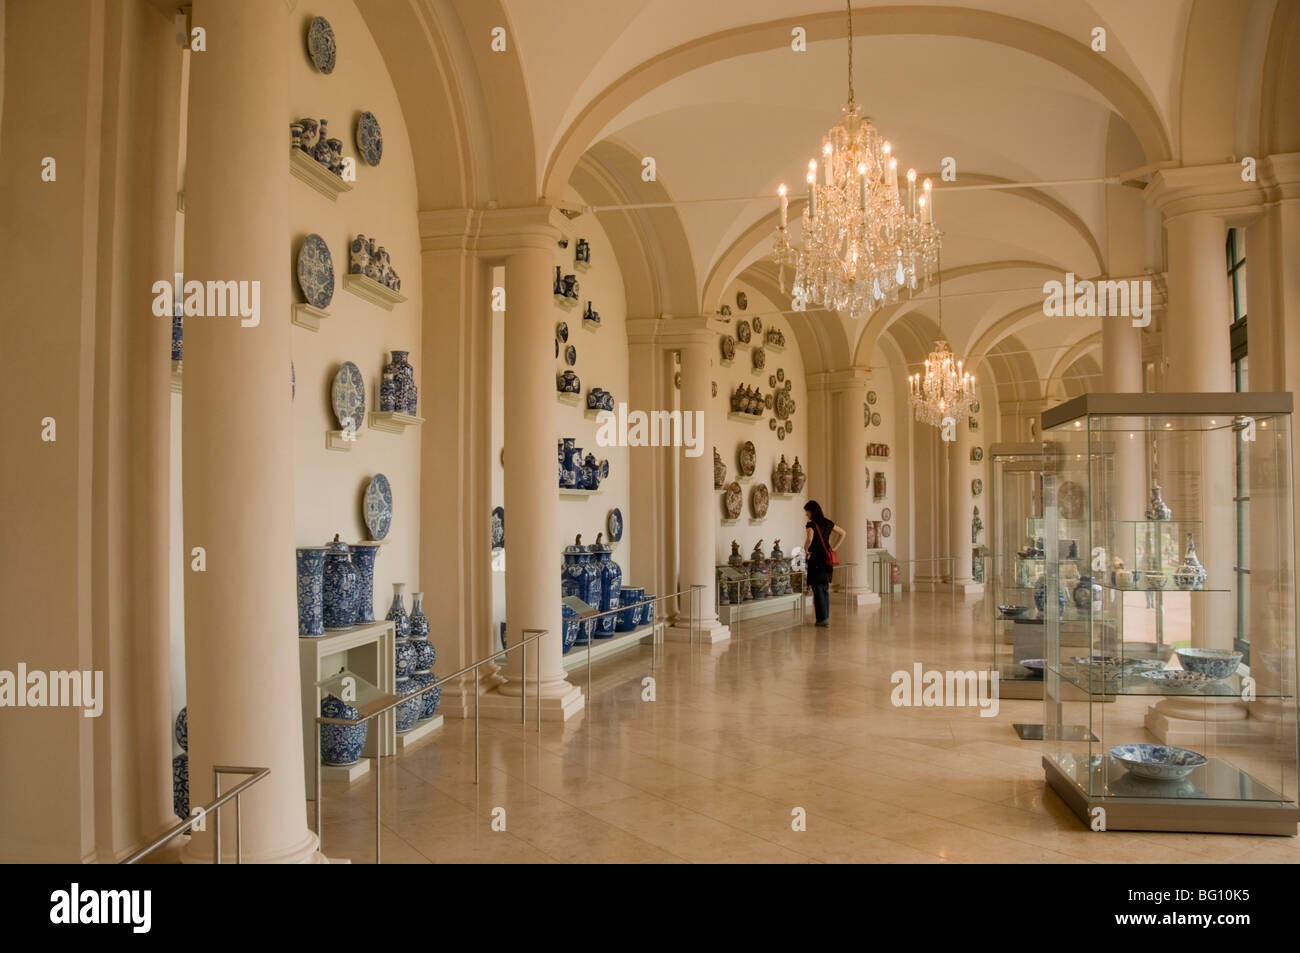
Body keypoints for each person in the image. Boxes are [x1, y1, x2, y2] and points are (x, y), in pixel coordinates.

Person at [803, 500, 846, 627]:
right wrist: (834, 549)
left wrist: (805, 549)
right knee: (825, 589)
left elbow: (810, 538)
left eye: (807, 512)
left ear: (811, 511)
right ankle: (825, 617)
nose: (806, 515)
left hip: (816, 559)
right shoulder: (828, 522)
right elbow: (843, 533)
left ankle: (821, 619)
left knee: (817, 589)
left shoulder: (811, 524)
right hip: (827, 559)